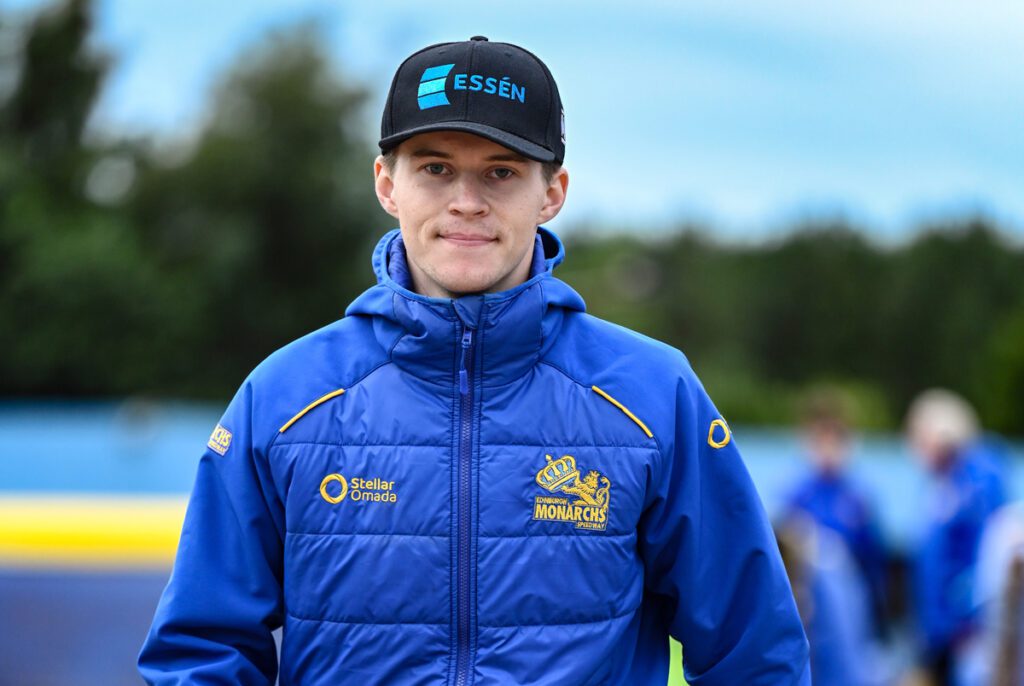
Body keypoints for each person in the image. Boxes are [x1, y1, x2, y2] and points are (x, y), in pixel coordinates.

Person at [138, 36, 809, 685]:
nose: (466, 201)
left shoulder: (653, 394)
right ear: (386, 184)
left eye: (501, 172)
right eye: (435, 168)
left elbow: (755, 656)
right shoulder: (285, 396)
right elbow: (202, 649)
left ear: (552, 192)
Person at [905, 389, 1008, 686]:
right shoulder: (943, 482)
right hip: (943, 636)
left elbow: (983, 556)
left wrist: (965, 620)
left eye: (920, 437)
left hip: (969, 634)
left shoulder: (979, 478)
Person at [783, 390, 889, 639]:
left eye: (835, 442)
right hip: (809, 606)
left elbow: (873, 561)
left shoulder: (858, 499)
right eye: (820, 442)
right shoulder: (797, 497)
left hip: (852, 606)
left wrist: (879, 614)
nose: (828, 451)